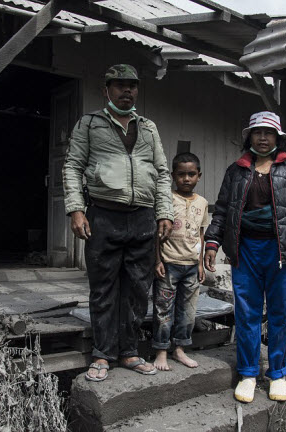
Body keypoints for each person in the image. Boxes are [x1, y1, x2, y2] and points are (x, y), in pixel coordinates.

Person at [203, 111, 286, 403]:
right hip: (245, 249)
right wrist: (212, 241)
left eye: (268, 133)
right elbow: (222, 210)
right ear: (249, 137)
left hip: (283, 251)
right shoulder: (236, 170)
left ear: (278, 138)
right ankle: (248, 373)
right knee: (247, 313)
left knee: (281, 313)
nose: (262, 138)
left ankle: (278, 373)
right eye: (257, 133)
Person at [63, 64, 174, 382]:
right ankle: (102, 354)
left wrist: (164, 211)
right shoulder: (90, 123)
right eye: (120, 85)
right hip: (103, 215)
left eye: (132, 86)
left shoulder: (148, 127)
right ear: (106, 89)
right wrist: (76, 209)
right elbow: (73, 165)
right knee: (103, 288)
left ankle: (129, 352)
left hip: (142, 217)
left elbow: (162, 172)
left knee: (138, 289)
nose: (127, 91)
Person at [152, 152, 209, 371]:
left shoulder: (202, 203)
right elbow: (156, 233)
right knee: (163, 310)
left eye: (191, 174)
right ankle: (161, 351)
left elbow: (201, 235)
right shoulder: (166, 199)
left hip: (192, 266)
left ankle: (179, 349)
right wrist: (157, 260)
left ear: (199, 176)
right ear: (173, 176)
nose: (186, 179)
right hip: (168, 264)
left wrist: (201, 263)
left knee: (187, 311)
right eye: (181, 174)